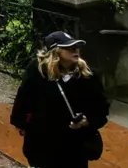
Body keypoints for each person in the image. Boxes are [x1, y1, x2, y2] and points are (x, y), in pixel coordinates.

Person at [10, 31, 109, 168]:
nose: (76, 50)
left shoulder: (88, 76)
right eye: (69, 48)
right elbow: (23, 100)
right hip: (43, 144)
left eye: (77, 47)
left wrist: (88, 121)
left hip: (74, 146)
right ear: (56, 52)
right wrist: (22, 124)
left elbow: (101, 108)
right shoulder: (37, 71)